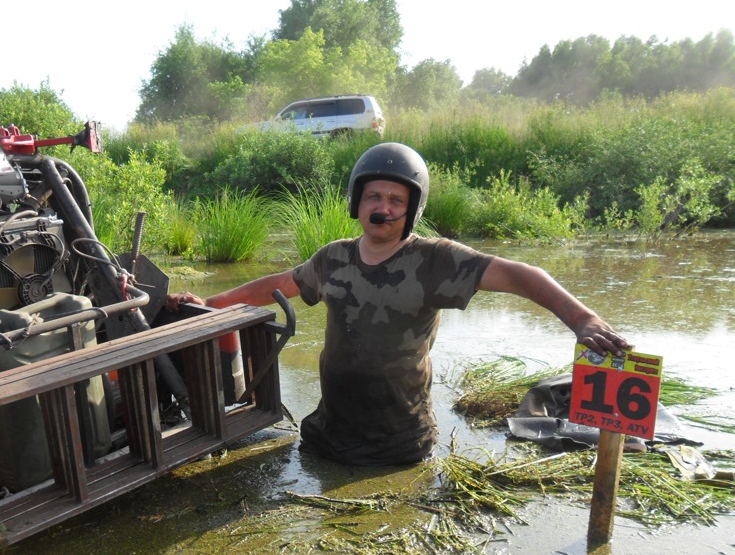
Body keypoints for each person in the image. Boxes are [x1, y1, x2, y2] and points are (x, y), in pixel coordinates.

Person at [166, 143, 631, 467]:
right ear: (357, 201)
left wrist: (582, 318)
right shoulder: (334, 258)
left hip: (400, 446)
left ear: (412, 210)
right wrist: (209, 303)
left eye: (395, 199)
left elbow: (518, 274)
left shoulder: (435, 260)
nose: (383, 208)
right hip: (328, 438)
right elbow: (276, 286)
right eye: (374, 196)